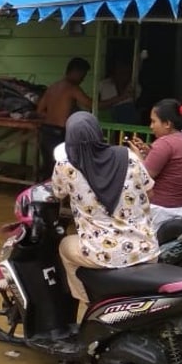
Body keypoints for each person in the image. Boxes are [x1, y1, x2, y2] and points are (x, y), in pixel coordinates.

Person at [52, 112, 158, 306]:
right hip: (145, 248)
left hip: (101, 253)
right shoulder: (128, 157)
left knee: (65, 246)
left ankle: (88, 303)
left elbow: (57, 193)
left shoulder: (65, 166)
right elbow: (150, 193)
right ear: (98, 133)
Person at [128, 99, 182, 230]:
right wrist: (149, 153)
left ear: (167, 123)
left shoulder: (164, 143)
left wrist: (137, 156)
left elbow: (145, 176)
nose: (151, 126)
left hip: (163, 211)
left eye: (153, 121)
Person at [36, 57, 92, 180]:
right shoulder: (72, 88)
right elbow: (92, 104)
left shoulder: (53, 87)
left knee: (48, 168)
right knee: (61, 171)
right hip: (59, 134)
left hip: (46, 132)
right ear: (76, 72)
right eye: (83, 75)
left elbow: (39, 110)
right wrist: (120, 98)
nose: (83, 79)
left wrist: (53, 115)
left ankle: (45, 196)